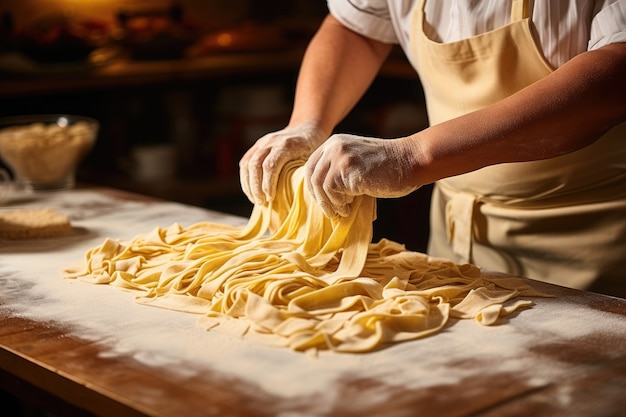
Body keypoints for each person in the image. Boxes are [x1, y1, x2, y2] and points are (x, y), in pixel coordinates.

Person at [239, 0, 626, 297]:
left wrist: (413, 156)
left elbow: (613, 79)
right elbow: (358, 27)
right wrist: (308, 123)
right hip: (456, 242)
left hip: (592, 243)